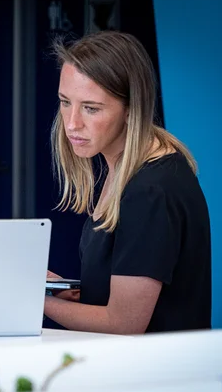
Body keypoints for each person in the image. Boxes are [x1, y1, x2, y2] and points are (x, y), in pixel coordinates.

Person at [43, 31, 211, 334]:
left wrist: (30, 297)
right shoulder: (130, 169)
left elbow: (124, 324)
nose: (71, 123)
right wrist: (60, 291)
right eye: (65, 102)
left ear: (131, 108)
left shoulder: (149, 190)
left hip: (152, 376)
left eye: (91, 108)